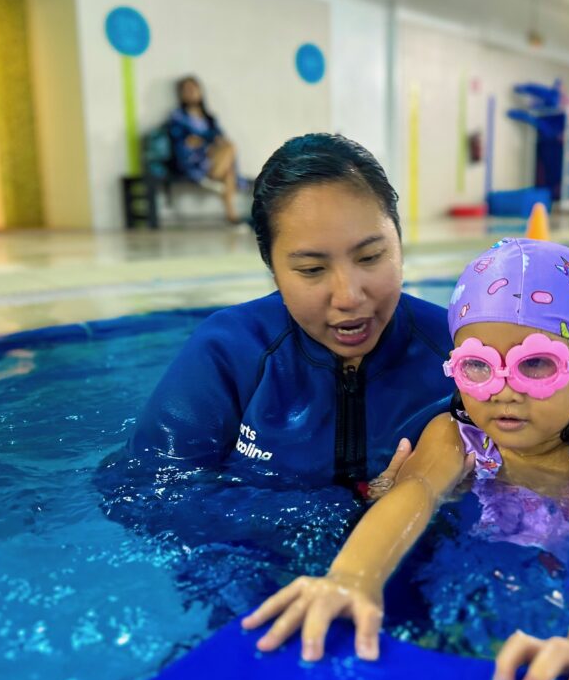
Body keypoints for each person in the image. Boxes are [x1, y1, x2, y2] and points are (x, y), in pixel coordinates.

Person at [242, 238, 569, 680]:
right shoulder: (457, 434)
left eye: (535, 364)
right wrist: (350, 579)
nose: (505, 392)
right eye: (479, 366)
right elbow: (417, 490)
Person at [123, 132, 454, 494]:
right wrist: (366, 508)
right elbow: (146, 492)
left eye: (370, 257)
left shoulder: (458, 353)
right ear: (273, 269)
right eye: (312, 269)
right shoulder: (226, 353)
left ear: (399, 244)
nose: (348, 297)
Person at [168, 76, 241, 225]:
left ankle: (232, 216)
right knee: (228, 161)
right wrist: (205, 140)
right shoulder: (178, 117)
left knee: (229, 150)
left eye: (194, 89)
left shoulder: (209, 119)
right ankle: (230, 212)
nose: (191, 93)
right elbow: (185, 141)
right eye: (187, 90)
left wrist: (207, 140)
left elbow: (218, 138)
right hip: (192, 159)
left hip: (211, 157)